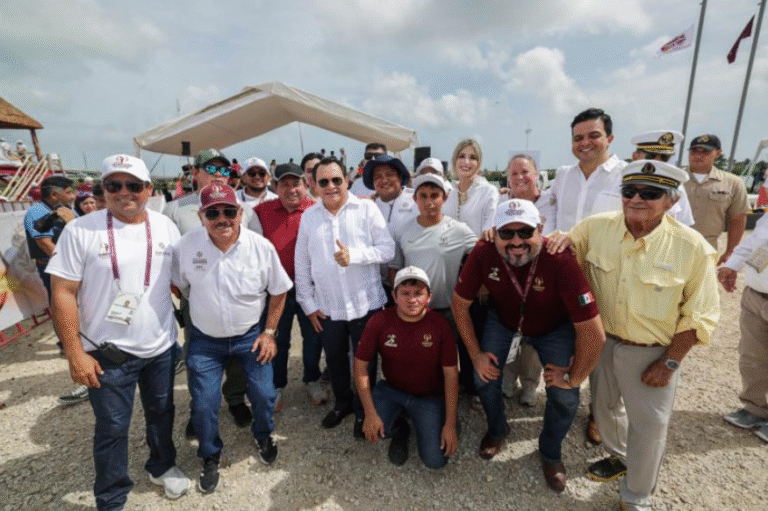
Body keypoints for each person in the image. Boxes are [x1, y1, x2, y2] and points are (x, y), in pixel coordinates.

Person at [549, 159, 719, 511]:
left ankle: (636, 496)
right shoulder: (596, 227)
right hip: (603, 342)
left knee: (650, 426)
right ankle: (622, 456)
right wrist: (556, 238)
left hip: (653, 351)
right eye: (629, 190)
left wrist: (670, 362)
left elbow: (699, 315)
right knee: (604, 409)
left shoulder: (692, 247)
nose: (637, 198)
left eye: (651, 193)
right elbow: (563, 246)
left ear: (672, 201)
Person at [47, 154, 190, 510]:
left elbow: (178, 281)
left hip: (160, 346)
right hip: (106, 351)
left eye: (133, 185)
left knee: (162, 412)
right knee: (112, 427)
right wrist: (74, 352)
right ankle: (111, 497)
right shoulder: (81, 230)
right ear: (103, 189)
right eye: (114, 185)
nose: (124, 192)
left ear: (149, 190)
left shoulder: (165, 226)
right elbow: (62, 292)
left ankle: (162, 465)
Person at [451, 199, 605, 492]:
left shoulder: (559, 258)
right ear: (494, 233)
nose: (516, 241)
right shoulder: (483, 252)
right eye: (506, 233)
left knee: (565, 396)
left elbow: (594, 333)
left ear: (541, 229)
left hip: (553, 328)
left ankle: (550, 452)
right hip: (504, 321)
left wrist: (574, 378)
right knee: (482, 377)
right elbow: (459, 305)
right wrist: (475, 355)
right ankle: (498, 429)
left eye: (525, 232)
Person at [173, 182, 291, 493]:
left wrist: (269, 332)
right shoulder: (185, 246)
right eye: (213, 213)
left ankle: (263, 434)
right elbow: (179, 285)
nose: (222, 218)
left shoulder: (260, 247)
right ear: (201, 217)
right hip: (205, 341)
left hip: (249, 336)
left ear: (240, 213)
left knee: (264, 394)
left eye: (228, 211)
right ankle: (210, 454)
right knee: (203, 403)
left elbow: (279, 290)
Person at [295, 156, 395, 435]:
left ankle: (365, 410)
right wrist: (308, 304)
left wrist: (355, 256)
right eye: (324, 181)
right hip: (329, 307)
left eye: (336, 180)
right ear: (314, 185)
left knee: (366, 362)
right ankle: (342, 404)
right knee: (335, 358)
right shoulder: (309, 217)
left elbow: (387, 249)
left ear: (347, 180)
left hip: (366, 304)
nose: (331, 186)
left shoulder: (366, 208)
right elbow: (301, 263)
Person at [163, 148, 254, 434]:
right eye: (211, 169)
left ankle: (236, 398)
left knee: (239, 353)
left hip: (237, 295)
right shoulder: (175, 209)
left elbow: (255, 250)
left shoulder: (242, 207)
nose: (218, 175)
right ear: (195, 172)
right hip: (197, 298)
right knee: (198, 356)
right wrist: (176, 285)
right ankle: (201, 407)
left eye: (224, 170)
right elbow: (168, 255)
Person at [354, 266, 459, 468]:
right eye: (405, 293)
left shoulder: (441, 325)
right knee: (371, 430)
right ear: (394, 296)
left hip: (429, 397)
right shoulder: (379, 321)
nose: (412, 300)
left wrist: (450, 424)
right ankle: (400, 429)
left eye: (418, 293)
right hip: (393, 390)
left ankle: (435, 419)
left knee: (435, 461)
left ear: (429, 297)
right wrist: (370, 413)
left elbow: (451, 375)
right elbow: (360, 367)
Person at [250, 163, 326, 410]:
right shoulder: (261, 211)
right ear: (275, 186)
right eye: (285, 184)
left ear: (306, 184)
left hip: (310, 289)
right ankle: (278, 384)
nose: (292, 189)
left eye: (296, 184)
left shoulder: (317, 209)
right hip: (276, 290)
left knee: (313, 338)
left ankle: (312, 379)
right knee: (278, 338)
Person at [501, 154, 554, 406]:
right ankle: (508, 378)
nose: (520, 178)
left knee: (533, 332)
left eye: (525, 172)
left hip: (541, 276)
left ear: (536, 174)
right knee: (509, 328)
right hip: (509, 275)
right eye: (514, 173)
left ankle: (530, 383)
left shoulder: (551, 202)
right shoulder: (502, 203)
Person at [390, 174, 476, 311]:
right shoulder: (402, 231)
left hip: (447, 310)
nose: (429, 202)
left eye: (434, 196)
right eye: (423, 196)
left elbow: (482, 254)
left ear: (445, 198)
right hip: (413, 310)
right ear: (415, 199)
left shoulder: (459, 230)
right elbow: (394, 269)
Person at [718, 214, 768, 443]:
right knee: (752, 356)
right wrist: (732, 265)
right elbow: (753, 244)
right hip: (755, 296)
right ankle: (755, 408)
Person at [684, 134, 748, 264]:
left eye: (705, 152)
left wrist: (730, 251)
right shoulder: (673, 180)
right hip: (669, 249)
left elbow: (737, 219)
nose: (698, 155)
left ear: (718, 153)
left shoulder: (732, 183)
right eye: (694, 151)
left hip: (707, 252)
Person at [362, 154, 417, 301]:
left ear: (400, 176)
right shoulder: (367, 207)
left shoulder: (416, 201)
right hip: (378, 286)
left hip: (412, 285)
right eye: (378, 176)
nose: (384, 180)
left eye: (390, 174)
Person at [629, 130, 694, 226]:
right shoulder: (621, 182)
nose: (658, 161)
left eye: (664, 157)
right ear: (635, 156)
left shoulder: (676, 187)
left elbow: (684, 224)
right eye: (651, 156)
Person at [442, 139, 498, 236]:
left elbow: (489, 230)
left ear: (478, 163)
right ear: (455, 160)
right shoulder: (449, 194)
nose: (466, 162)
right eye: (462, 156)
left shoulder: (488, 192)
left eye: (472, 158)